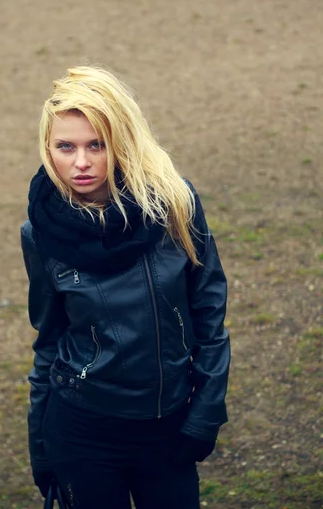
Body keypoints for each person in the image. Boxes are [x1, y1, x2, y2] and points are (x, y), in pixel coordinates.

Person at [21, 65, 230, 509]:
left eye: (96, 144)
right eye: (65, 146)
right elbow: (50, 339)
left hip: (166, 426)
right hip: (82, 431)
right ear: (47, 148)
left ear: (121, 141)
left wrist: (205, 413)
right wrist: (40, 445)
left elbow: (210, 315)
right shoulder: (39, 232)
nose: (81, 162)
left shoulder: (175, 205)